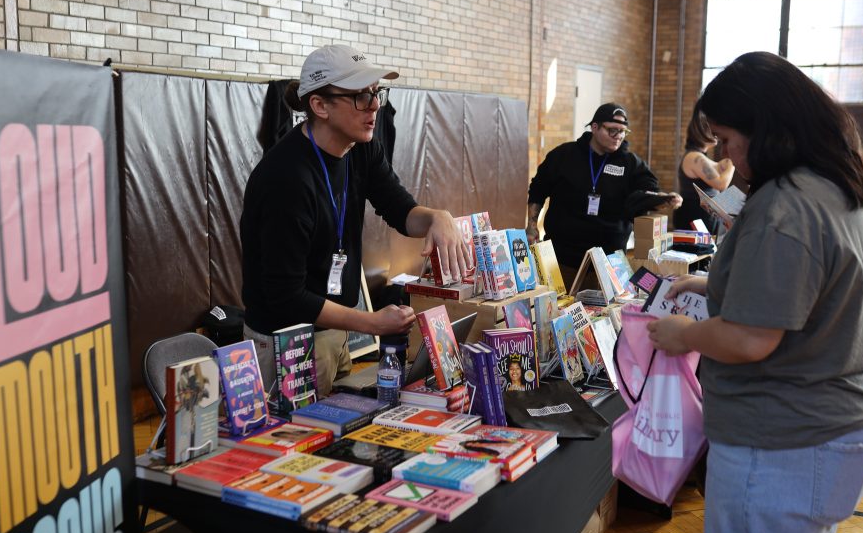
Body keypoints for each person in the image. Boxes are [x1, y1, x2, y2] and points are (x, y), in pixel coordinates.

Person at [647, 52, 863, 533]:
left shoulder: (786, 208)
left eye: (731, 139)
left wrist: (681, 335)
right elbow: (815, 290)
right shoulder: (843, 185)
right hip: (839, 428)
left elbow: (749, 338)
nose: (727, 155)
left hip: (785, 441)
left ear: (769, 130)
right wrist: (713, 286)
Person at [240, 44, 471, 398]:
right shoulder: (285, 178)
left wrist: (438, 218)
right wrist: (372, 322)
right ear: (320, 106)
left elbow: (400, 210)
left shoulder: (360, 147)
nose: (375, 105)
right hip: (287, 342)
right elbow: (286, 297)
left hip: (335, 330)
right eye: (361, 96)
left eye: (377, 93)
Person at [526, 103, 682, 278]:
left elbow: (649, 191)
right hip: (561, 258)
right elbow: (538, 189)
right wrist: (532, 227)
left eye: (623, 131)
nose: (619, 136)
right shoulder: (564, 155)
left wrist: (664, 198)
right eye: (613, 130)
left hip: (610, 262)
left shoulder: (630, 163)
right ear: (594, 127)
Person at [673, 104, 735, 232]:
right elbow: (721, 184)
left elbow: (718, 167)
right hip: (695, 218)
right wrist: (732, 162)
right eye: (712, 129)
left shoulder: (701, 157)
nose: (716, 134)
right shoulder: (695, 157)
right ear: (701, 132)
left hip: (705, 218)